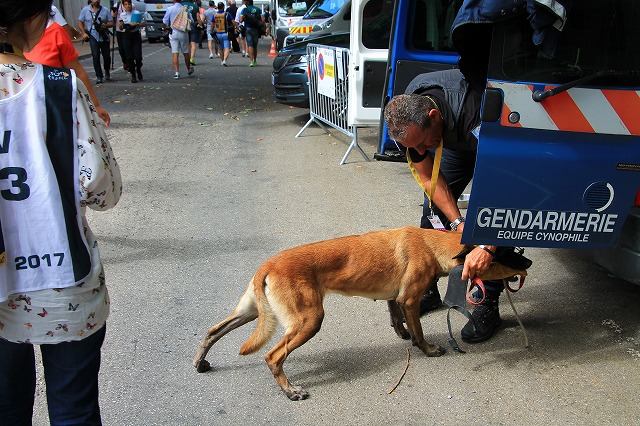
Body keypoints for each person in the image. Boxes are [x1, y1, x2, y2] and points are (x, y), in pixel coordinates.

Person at [0, 0, 122, 423]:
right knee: (74, 409)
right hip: (61, 281)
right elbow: (103, 191)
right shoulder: (57, 87)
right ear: (32, 16)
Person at [383, 69, 506, 344]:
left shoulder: (475, 107)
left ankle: (487, 302)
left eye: (422, 143)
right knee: (433, 216)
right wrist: (457, 223)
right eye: (414, 147)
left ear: (434, 116)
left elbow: (504, 189)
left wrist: (485, 245)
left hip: (489, 141)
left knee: (490, 222)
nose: (421, 150)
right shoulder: (411, 117)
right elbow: (428, 176)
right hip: (453, 142)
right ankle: (426, 286)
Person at [23, 5, 111, 125]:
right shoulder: (10, 35)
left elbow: (78, 72)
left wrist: (95, 105)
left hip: (55, 113)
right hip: (23, 114)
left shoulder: (55, 32)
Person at [78, 0, 114, 84]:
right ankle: (99, 76)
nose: (96, 1)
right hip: (93, 36)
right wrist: (83, 32)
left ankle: (107, 71)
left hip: (104, 36)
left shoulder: (105, 10)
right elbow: (80, 21)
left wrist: (106, 25)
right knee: (95, 55)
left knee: (106, 56)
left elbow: (112, 22)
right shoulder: (85, 10)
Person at [163, 0, 195, 79]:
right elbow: (192, 21)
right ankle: (188, 69)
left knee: (175, 52)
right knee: (186, 52)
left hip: (173, 32)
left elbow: (165, 21)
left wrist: (164, 29)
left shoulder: (170, 9)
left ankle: (177, 73)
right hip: (183, 33)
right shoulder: (185, 9)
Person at [117, 0, 145, 83]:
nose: (128, 6)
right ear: (124, 6)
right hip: (127, 35)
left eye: (129, 4)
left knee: (138, 56)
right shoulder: (122, 15)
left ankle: (138, 68)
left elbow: (143, 23)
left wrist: (137, 24)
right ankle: (133, 74)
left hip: (135, 35)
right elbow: (121, 27)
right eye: (126, 4)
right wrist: (121, 25)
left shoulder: (136, 13)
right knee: (129, 57)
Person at [239, 0, 262, 67]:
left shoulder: (244, 10)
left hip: (248, 28)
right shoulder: (258, 9)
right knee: (255, 45)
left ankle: (251, 61)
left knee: (250, 45)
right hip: (256, 29)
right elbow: (262, 19)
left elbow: (240, 20)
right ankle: (255, 60)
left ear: (247, 3)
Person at [212, 1, 233, 66]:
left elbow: (212, 24)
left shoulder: (215, 15)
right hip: (225, 32)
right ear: (223, 7)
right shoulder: (227, 14)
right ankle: (224, 60)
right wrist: (235, 26)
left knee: (220, 48)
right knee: (227, 47)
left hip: (218, 33)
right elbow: (233, 21)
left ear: (218, 7)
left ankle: (222, 60)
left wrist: (212, 30)